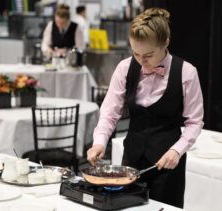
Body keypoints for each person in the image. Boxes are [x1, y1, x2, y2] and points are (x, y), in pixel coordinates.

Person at [87, 8, 204, 208]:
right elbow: (109, 112)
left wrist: (177, 151)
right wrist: (99, 142)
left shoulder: (187, 73)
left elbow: (194, 122)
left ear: (165, 43)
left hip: (168, 164)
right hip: (131, 160)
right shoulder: (125, 68)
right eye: (135, 53)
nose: (142, 61)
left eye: (148, 54)